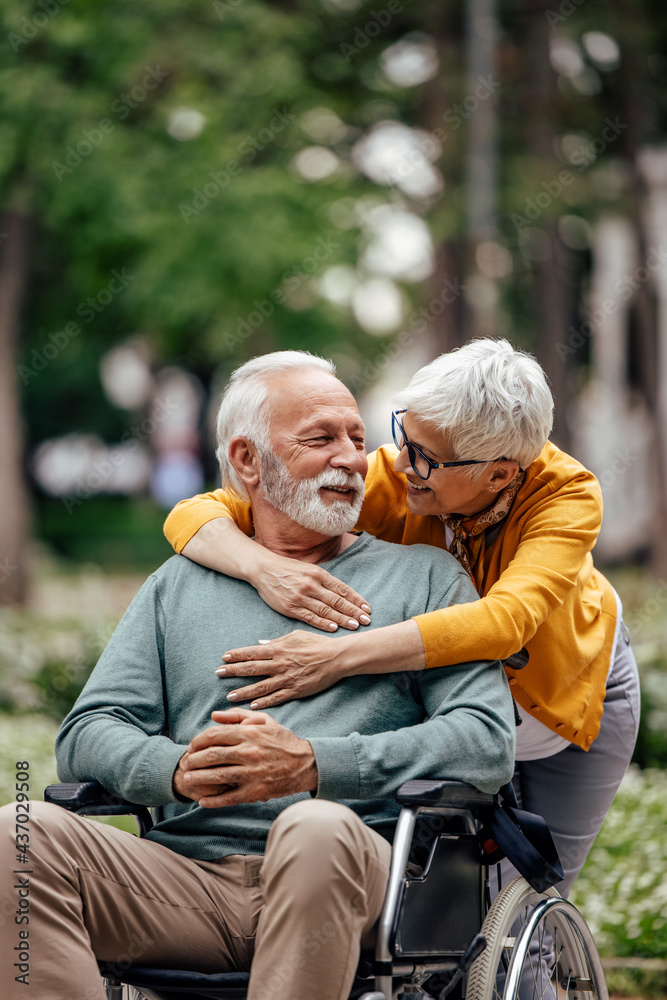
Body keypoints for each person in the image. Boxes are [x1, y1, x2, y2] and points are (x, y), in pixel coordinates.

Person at [0, 352, 515, 1000]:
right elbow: (86, 734)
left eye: (358, 439)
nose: (353, 460)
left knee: (314, 825)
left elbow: (484, 741)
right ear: (247, 462)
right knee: (17, 837)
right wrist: (176, 769)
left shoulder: (424, 577)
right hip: (189, 884)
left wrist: (314, 764)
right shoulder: (179, 586)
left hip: (357, 879)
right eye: (321, 439)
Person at [163, 338, 640, 901]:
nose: (400, 464)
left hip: (570, 701)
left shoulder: (567, 494)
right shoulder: (395, 476)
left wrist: (334, 659)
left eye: (428, 459)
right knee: (450, 909)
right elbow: (195, 513)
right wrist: (266, 569)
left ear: (499, 475)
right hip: (461, 703)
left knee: (530, 898)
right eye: (402, 436)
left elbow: (505, 622)